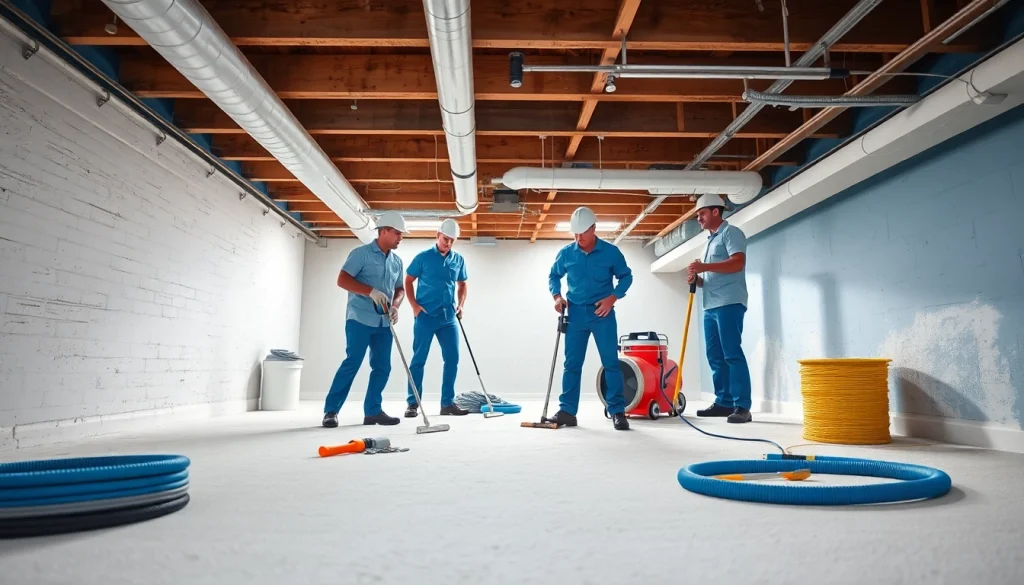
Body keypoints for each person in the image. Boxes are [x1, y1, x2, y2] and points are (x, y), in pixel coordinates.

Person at [547, 207, 633, 431]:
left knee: (610, 363)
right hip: (575, 314)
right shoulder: (566, 253)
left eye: (582, 233)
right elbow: (554, 275)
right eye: (575, 234)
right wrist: (557, 297)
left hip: (601, 314)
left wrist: (612, 298)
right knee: (572, 364)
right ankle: (567, 412)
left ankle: (617, 412)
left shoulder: (611, 252)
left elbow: (626, 276)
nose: (579, 238)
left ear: (594, 228)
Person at [322, 210, 408, 428]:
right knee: (352, 363)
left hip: (383, 323)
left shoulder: (397, 261)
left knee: (382, 367)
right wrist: (370, 291)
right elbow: (342, 280)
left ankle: (372, 412)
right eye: (397, 233)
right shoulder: (361, 254)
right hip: (359, 319)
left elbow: (400, 289)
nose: (400, 238)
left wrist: (396, 306)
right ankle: (331, 411)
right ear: (384, 231)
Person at [686, 193, 752, 424]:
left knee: (732, 353)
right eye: (697, 216)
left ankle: (742, 406)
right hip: (710, 305)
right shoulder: (709, 242)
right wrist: (699, 279)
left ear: (716, 211)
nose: (699, 219)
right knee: (714, 355)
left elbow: (737, 263)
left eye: (701, 214)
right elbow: (713, 275)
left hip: (729, 303)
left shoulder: (731, 233)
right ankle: (724, 402)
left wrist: (703, 266)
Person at [403, 218, 470, 417]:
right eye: (445, 238)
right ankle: (413, 403)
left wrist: (461, 305)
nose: (448, 243)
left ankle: (447, 404)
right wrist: (414, 306)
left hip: (448, 318)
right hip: (425, 316)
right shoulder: (422, 258)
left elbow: (463, 284)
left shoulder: (458, 260)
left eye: (452, 240)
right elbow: (408, 281)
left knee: (452, 359)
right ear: (437, 236)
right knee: (418, 360)